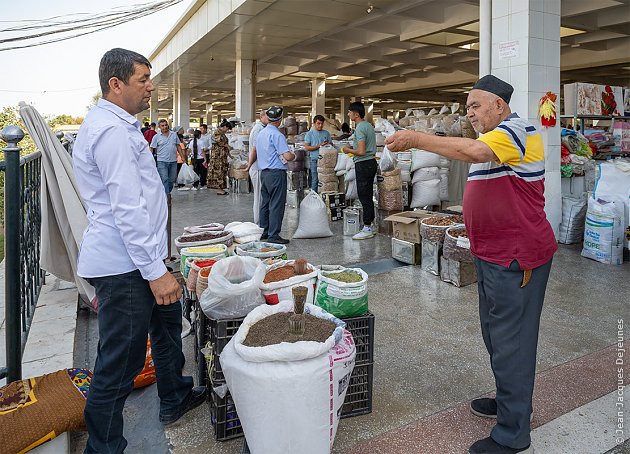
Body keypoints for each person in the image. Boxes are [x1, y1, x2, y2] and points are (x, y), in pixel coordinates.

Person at [385, 74, 557, 454]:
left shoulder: (518, 129)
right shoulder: (493, 140)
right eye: (468, 108)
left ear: (499, 104)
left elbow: (473, 153)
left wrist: (416, 138)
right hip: (494, 256)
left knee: (512, 341)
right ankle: (510, 400)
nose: (471, 114)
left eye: (476, 106)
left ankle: (513, 433)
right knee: (497, 336)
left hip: (518, 257)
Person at [72, 48, 205, 454]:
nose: (151, 87)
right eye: (143, 79)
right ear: (116, 84)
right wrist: (154, 271)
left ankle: (174, 395)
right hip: (125, 265)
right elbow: (127, 207)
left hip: (141, 257)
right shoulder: (110, 132)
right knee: (120, 364)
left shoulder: (121, 124)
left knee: (166, 326)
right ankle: (104, 447)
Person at [255, 106, 295, 244]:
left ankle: (264, 231)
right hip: (276, 174)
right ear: (279, 120)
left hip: (264, 174)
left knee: (265, 204)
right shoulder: (277, 135)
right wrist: (293, 154)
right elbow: (287, 156)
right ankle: (273, 235)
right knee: (276, 205)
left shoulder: (261, 133)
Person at [341, 101, 378, 240]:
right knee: (367, 195)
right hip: (370, 162)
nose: (348, 114)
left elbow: (361, 151)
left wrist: (347, 150)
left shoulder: (361, 127)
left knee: (364, 196)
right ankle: (370, 225)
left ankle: (367, 227)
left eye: (350, 112)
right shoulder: (368, 126)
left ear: (356, 114)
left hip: (363, 164)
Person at [150, 119, 186, 193]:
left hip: (173, 161)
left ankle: (167, 193)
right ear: (159, 127)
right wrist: (150, 159)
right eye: (162, 126)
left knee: (171, 180)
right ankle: (166, 197)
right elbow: (151, 148)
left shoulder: (174, 134)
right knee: (164, 179)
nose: (165, 127)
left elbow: (178, 146)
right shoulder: (156, 137)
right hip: (162, 161)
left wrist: (182, 157)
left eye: (166, 125)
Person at [245, 109, 268, 223]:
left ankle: (261, 222)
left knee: (261, 196)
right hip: (257, 167)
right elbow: (255, 150)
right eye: (268, 117)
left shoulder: (263, 128)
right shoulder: (258, 129)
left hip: (259, 167)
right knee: (259, 198)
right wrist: (249, 165)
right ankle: (258, 223)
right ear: (262, 117)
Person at [304, 114, 331, 193]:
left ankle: (324, 196)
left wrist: (327, 145)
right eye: (318, 123)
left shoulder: (326, 133)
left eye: (322, 124)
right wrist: (319, 146)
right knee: (315, 179)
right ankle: (313, 196)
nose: (320, 125)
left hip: (325, 161)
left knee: (325, 180)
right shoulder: (309, 134)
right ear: (314, 123)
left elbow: (331, 144)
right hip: (314, 160)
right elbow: (307, 147)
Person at [207, 119, 232, 195]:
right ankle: (219, 188)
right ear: (224, 127)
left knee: (222, 172)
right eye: (227, 129)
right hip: (218, 157)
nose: (227, 130)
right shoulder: (217, 132)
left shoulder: (222, 133)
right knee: (219, 172)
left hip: (222, 156)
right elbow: (219, 141)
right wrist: (226, 145)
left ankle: (221, 188)